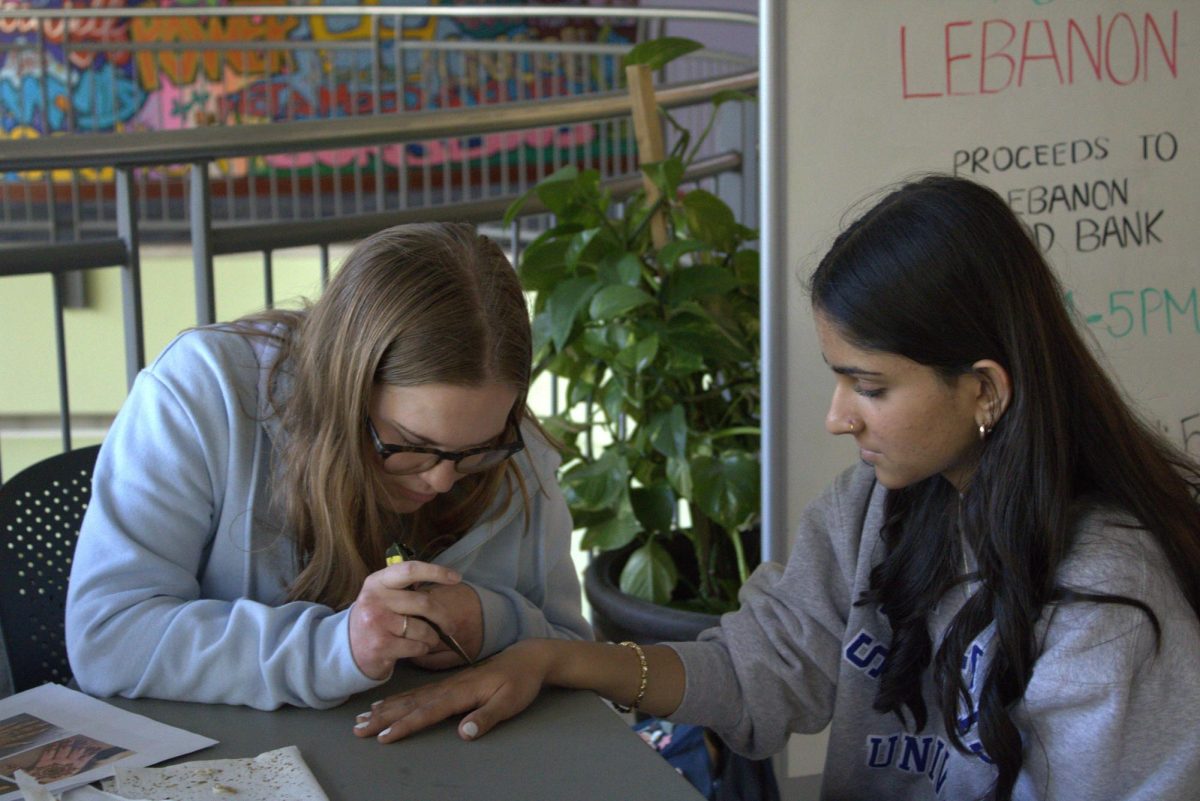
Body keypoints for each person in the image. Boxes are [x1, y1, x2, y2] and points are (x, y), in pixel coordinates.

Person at [351, 176, 1200, 800]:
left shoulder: (1108, 599)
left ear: (984, 389)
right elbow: (759, 671)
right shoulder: (875, 506)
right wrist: (554, 659)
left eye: (869, 387)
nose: (839, 417)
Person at [65, 222, 591, 710]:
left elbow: (578, 657)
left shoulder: (518, 447)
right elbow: (108, 638)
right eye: (409, 444)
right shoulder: (201, 391)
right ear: (342, 394)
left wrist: (496, 621)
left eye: (474, 450)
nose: (441, 478)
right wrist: (337, 646)